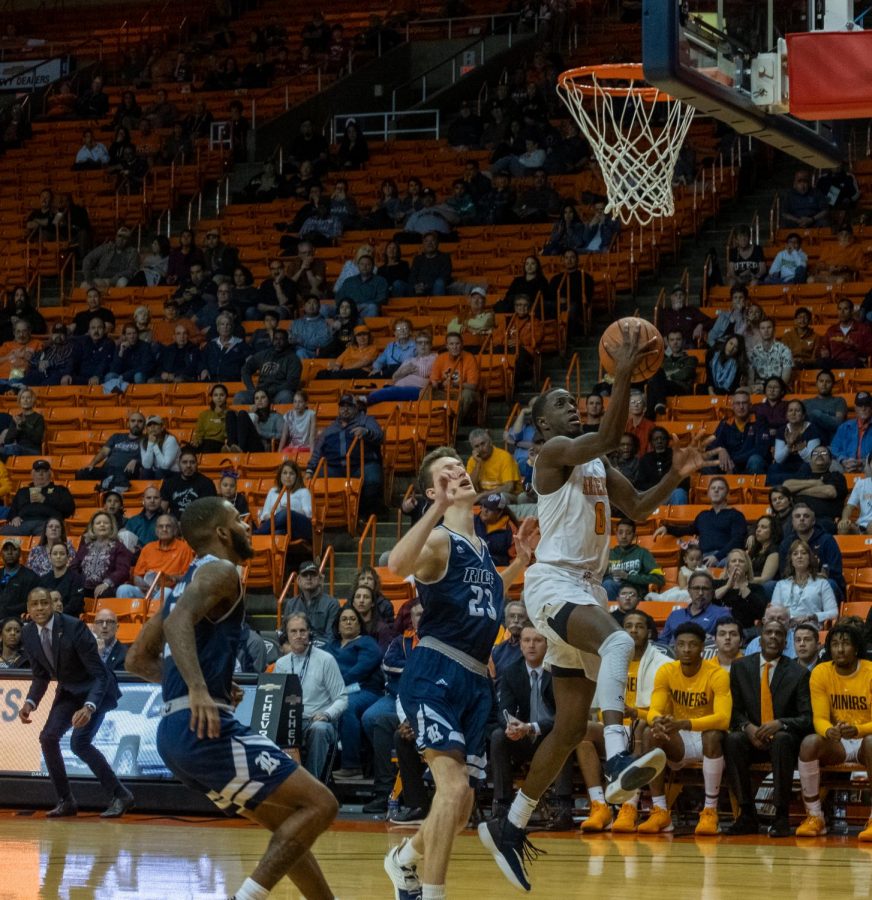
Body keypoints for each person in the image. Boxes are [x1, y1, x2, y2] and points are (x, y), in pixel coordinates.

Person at [480, 327, 716, 893]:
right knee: (618, 642)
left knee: (564, 730)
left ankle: (508, 825)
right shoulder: (554, 455)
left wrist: (676, 475)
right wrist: (624, 372)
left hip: (585, 586)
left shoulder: (595, 467)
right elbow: (611, 431)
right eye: (562, 404)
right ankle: (615, 761)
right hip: (552, 582)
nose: (572, 407)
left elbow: (634, 505)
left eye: (573, 401)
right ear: (542, 426)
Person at [125, 498, 338, 898]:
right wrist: (200, 688)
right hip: (203, 731)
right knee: (322, 804)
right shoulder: (222, 571)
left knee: (288, 823)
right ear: (223, 533)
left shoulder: (180, 584)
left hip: (174, 735)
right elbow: (176, 624)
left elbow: (137, 658)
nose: (247, 524)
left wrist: (205, 684)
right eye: (239, 519)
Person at [384, 448, 533, 900]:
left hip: (473, 678)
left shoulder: (480, 546)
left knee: (463, 801)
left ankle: (405, 858)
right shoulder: (439, 540)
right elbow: (395, 565)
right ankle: (433, 894)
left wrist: (521, 563)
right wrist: (438, 509)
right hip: (435, 669)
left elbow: (485, 593)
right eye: (445, 474)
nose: (457, 473)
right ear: (433, 491)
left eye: (459, 468)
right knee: (452, 786)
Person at [19, 586, 133, 818]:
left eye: (44, 602)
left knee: (79, 743)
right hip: (70, 690)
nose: (40, 608)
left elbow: (100, 674)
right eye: (35, 604)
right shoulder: (29, 633)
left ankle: (121, 795)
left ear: (51, 605)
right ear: (28, 609)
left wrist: (89, 707)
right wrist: (30, 701)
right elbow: (41, 675)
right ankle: (66, 800)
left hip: (96, 689)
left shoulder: (74, 627)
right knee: (48, 737)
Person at [634, 622, 731, 835]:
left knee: (713, 735)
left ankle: (709, 811)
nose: (686, 649)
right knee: (653, 733)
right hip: (680, 740)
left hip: (708, 740)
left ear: (702, 649)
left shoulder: (717, 674)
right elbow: (653, 709)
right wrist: (657, 720)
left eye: (692, 645)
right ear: (674, 647)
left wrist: (685, 723)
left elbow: (723, 719)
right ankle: (660, 811)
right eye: (681, 645)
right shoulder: (666, 671)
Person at [578, 610, 670, 833]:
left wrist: (634, 712)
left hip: (641, 725)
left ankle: (630, 806)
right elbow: (597, 705)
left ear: (649, 632)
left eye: (639, 626)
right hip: (613, 729)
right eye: (628, 625)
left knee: (641, 729)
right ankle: (599, 805)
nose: (633, 630)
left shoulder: (663, 663)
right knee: (581, 733)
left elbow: (660, 710)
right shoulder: (607, 661)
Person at [724, 617, 812, 837]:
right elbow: (732, 711)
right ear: (760, 638)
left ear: (785, 642)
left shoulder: (798, 673)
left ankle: (781, 816)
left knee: (782, 740)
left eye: (779, 634)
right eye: (768, 632)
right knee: (732, 740)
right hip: (751, 737)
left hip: (784, 741)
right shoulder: (740, 666)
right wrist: (747, 727)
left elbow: (807, 718)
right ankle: (746, 814)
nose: (773, 636)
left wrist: (780, 724)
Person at [491, 624, 575, 829]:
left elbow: (566, 715)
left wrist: (532, 726)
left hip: (551, 735)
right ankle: (501, 806)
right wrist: (512, 725)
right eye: (526, 641)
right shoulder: (512, 671)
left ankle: (563, 808)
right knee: (497, 736)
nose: (531, 645)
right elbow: (504, 710)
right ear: (520, 645)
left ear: (547, 645)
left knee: (565, 734)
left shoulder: (559, 672)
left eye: (537, 640)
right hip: (523, 737)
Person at [795, 623, 872, 839]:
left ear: (856, 648)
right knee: (810, 742)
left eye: (845, 644)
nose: (839, 649)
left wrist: (858, 729)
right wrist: (829, 731)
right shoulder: (820, 672)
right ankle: (815, 816)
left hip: (865, 738)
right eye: (835, 644)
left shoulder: (870, 671)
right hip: (837, 742)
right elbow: (819, 717)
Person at [273, 612, 349, 782]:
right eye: (293, 631)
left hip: (318, 721)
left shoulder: (325, 660)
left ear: (310, 633)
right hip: (292, 722)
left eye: (302, 631)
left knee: (319, 729)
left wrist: (327, 715)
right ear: (286, 635)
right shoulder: (281, 663)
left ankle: (311, 784)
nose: (298, 636)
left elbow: (342, 698)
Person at [324, 605, 383, 779]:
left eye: (352, 619)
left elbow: (361, 669)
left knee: (346, 706)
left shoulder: (366, 642)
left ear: (359, 624)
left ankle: (352, 766)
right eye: (344, 619)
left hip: (366, 691)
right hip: (335, 691)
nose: (348, 622)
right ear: (338, 625)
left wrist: (337, 685)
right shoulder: (331, 646)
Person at [305, 394, 384, 518]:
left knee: (372, 479)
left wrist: (367, 432)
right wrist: (310, 470)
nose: (345, 409)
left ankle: (365, 516)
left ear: (356, 408)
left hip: (361, 465)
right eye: (342, 406)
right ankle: (326, 517)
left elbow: (380, 436)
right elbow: (317, 451)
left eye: (349, 406)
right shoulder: (330, 429)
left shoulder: (366, 421)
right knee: (315, 480)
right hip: (335, 468)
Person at [653, 477, 748, 566]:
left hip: (726, 557)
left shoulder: (736, 515)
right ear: (708, 494)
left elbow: (737, 540)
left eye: (720, 488)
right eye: (713, 488)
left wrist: (717, 557)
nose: (716, 490)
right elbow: (687, 530)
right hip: (704, 558)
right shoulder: (703, 515)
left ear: (727, 494)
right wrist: (667, 528)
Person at [117, 515, 194, 599]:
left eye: (168, 526)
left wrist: (171, 577)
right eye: (161, 526)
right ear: (156, 530)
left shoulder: (184, 548)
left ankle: (157, 612)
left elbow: (189, 576)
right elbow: (137, 576)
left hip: (170, 591)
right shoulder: (148, 548)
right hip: (147, 590)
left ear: (175, 530)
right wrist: (145, 586)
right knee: (123, 589)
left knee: (166, 591)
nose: (164, 529)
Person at [771, 539, 838, 625]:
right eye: (795, 554)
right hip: (786, 628)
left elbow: (834, 612)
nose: (799, 556)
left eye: (803, 553)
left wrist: (810, 617)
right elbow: (774, 612)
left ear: (809, 558)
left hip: (810, 629)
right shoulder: (781, 585)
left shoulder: (822, 583)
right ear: (791, 560)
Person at [0, 459, 75, 536]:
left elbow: (69, 509)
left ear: (50, 474)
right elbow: (12, 511)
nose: (41, 474)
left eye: (44, 471)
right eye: (37, 471)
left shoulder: (60, 490)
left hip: (47, 523)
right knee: (3, 532)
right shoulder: (22, 491)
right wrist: (14, 517)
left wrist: (45, 500)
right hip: (23, 524)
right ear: (32, 474)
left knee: (50, 535)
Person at [781, 445, 845, 533]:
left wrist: (798, 491)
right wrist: (814, 483)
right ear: (810, 461)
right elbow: (785, 486)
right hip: (797, 517)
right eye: (815, 453)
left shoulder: (836, 476)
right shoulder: (803, 475)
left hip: (823, 519)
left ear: (830, 461)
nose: (819, 455)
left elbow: (829, 492)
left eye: (823, 453)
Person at [70, 512, 133, 600]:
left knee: (102, 594)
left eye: (106, 523)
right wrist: (78, 582)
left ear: (111, 527)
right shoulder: (86, 547)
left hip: (107, 588)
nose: (102, 525)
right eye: (98, 523)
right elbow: (74, 566)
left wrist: (106, 584)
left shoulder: (119, 547)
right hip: (85, 586)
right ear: (92, 527)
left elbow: (123, 570)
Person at [659, 572, 731, 646]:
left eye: (705, 589)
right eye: (696, 588)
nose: (700, 593)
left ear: (712, 592)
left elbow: (726, 642)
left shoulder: (722, 614)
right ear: (689, 591)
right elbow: (662, 642)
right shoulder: (675, 615)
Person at [603, 518, 665, 601]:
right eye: (620, 532)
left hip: (636, 593)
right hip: (614, 592)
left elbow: (659, 579)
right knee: (607, 584)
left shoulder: (643, 553)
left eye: (628, 533)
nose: (624, 536)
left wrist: (628, 576)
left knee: (608, 585)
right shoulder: (608, 554)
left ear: (634, 536)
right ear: (616, 534)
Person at [280, 561, 340, 645]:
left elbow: (331, 637)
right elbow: (284, 633)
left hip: (322, 651)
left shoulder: (332, 604)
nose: (309, 578)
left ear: (319, 579)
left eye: (313, 574)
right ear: (299, 580)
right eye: (305, 575)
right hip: (295, 649)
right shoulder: (291, 604)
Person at [76, 412, 146, 482]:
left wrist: (137, 461)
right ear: (128, 424)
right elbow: (103, 453)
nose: (136, 424)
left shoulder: (147, 440)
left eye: (140, 421)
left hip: (125, 472)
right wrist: (91, 464)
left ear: (144, 425)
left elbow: (150, 458)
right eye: (133, 421)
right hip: (107, 470)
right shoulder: (116, 437)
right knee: (81, 473)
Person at [712, 550, 767, 634]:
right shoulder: (717, 584)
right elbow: (711, 598)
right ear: (728, 566)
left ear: (747, 567)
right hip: (720, 629)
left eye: (741, 561)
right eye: (733, 561)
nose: (737, 563)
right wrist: (727, 586)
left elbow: (760, 611)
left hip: (746, 630)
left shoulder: (756, 588)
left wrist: (742, 584)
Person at [429, 332, 480, 422]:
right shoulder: (440, 358)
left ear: (462, 345)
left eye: (457, 343)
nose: (454, 347)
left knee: (467, 394)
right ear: (447, 346)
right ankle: (432, 421)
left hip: (461, 393)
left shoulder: (470, 358)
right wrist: (437, 384)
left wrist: (454, 384)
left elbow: (473, 386)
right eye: (451, 344)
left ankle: (454, 422)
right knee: (424, 392)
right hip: (445, 392)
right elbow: (434, 381)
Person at [160, 448, 217, 518]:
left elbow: (209, 512)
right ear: (179, 464)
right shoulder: (169, 483)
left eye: (192, 462)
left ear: (197, 464)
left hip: (197, 524)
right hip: (174, 525)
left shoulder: (206, 483)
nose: (188, 465)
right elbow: (162, 511)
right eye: (184, 462)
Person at [466, 428, 522, 500]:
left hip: (508, 496)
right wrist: (478, 465)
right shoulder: (473, 460)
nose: (481, 449)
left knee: (501, 497)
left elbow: (508, 488)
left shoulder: (504, 457)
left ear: (490, 442)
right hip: (484, 497)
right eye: (477, 446)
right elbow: (469, 487)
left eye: (483, 444)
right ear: (473, 448)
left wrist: (483, 495)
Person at [38, 542, 85, 617]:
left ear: (68, 557)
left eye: (62, 554)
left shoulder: (77, 578)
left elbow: (75, 604)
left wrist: (55, 616)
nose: (58, 556)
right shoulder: (44, 579)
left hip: (69, 619)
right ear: (50, 557)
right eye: (55, 554)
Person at [830, 392, 872, 473]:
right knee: (832, 464)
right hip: (846, 465)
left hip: (868, 465)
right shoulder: (844, 427)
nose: (863, 408)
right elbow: (834, 448)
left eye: (866, 405)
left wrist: (863, 462)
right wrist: (843, 460)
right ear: (855, 408)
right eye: (860, 405)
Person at [0, 537, 40, 620]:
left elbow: (33, 603)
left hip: (18, 621)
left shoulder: (31, 577)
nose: (10, 553)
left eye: (14, 549)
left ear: (20, 553)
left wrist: (6, 610)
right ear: (1, 553)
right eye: (6, 550)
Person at [805, 369, 848, 446]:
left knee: (815, 414)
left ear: (833, 385)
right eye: (821, 381)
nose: (824, 384)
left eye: (828, 382)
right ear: (816, 383)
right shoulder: (806, 402)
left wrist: (818, 414)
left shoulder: (839, 401)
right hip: (811, 439)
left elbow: (838, 423)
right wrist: (829, 415)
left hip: (831, 438)